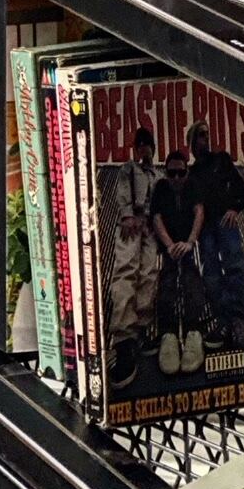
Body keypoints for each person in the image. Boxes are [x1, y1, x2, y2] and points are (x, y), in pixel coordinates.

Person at [185, 117, 244, 344]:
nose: (206, 139)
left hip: (224, 221)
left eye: (207, 134)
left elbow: (240, 188)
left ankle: (237, 318)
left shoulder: (221, 159)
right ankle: (223, 319)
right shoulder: (191, 173)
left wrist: (235, 208)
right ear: (192, 141)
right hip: (206, 226)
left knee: (234, 264)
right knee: (211, 272)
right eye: (201, 135)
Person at [104, 125, 159, 387]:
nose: (145, 150)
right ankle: (124, 335)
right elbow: (124, 189)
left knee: (149, 272)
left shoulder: (157, 175)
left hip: (150, 225)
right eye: (141, 145)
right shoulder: (129, 168)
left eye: (148, 146)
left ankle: (142, 327)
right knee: (127, 269)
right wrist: (127, 214)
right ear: (137, 148)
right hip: (132, 223)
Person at [149, 149, 209, 375]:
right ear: (166, 173)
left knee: (192, 279)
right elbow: (156, 218)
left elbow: (199, 212)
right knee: (167, 280)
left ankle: (194, 331)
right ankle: (169, 334)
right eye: (171, 173)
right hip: (170, 244)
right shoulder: (161, 188)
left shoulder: (192, 186)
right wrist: (169, 245)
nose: (176, 178)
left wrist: (190, 242)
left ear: (186, 172)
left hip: (187, 242)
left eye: (180, 173)